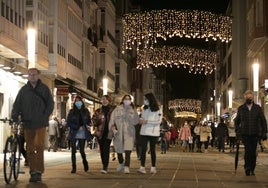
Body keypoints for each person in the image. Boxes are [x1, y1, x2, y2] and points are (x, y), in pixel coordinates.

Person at [11, 68, 54, 183]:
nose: (32, 76)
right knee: (30, 148)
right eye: (30, 75)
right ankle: (33, 171)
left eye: (34, 74)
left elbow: (50, 104)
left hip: (40, 123)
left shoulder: (44, 89)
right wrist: (14, 116)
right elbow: (17, 105)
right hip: (27, 123)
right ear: (28, 76)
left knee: (39, 145)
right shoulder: (23, 90)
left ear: (38, 76)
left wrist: (45, 116)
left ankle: (39, 171)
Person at [234, 90, 267, 176]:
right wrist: (238, 131)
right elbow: (236, 121)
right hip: (245, 134)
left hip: (255, 133)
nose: (249, 98)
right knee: (248, 150)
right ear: (245, 97)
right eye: (248, 97)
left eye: (251, 97)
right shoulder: (241, 108)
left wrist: (264, 132)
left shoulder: (258, 108)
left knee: (253, 152)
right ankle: (247, 167)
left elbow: (263, 121)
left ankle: (252, 168)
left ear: (252, 97)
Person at [108, 94, 139, 174]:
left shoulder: (133, 110)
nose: (127, 100)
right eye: (126, 99)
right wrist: (112, 128)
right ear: (123, 100)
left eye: (129, 99)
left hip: (129, 133)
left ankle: (127, 166)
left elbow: (136, 121)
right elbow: (112, 119)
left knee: (128, 150)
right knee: (119, 150)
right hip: (118, 133)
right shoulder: (117, 109)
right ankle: (121, 162)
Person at [137, 93, 163, 174]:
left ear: (150, 99)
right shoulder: (144, 108)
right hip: (144, 131)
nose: (144, 101)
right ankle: (142, 167)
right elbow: (143, 118)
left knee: (152, 150)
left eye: (145, 99)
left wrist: (147, 121)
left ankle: (153, 167)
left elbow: (159, 121)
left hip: (153, 132)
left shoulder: (158, 108)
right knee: (143, 149)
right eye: (144, 99)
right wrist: (140, 119)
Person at [67, 95, 92, 173]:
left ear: (82, 102)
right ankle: (74, 167)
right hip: (74, 132)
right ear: (74, 103)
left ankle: (85, 163)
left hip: (83, 132)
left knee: (82, 150)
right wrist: (77, 127)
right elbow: (69, 122)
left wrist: (89, 125)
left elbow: (88, 120)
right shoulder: (72, 112)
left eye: (79, 101)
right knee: (73, 150)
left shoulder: (86, 111)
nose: (78, 102)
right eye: (76, 101)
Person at [91, 95, 115, 174]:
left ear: (109, 100)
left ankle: (105, 166)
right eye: (103, 99)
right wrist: (97, 121)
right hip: (100, 132)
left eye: (106, 99)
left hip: (109, 133)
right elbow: (94, 120)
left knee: (106, 148)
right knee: (102, 150)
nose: (104, 101)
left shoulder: (112, 110)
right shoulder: (98, 111)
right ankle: (104, 164)